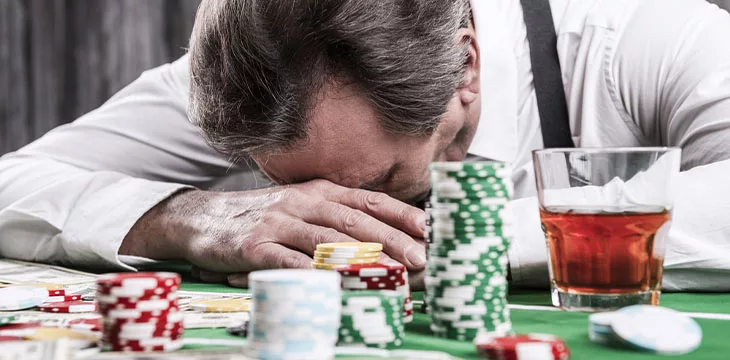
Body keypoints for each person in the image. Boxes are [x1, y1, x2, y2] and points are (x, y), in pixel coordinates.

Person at [1, 0, 730, 291]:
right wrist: (183, 216)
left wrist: (458, 242)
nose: (344, 219)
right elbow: (15, 182)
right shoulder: (248, 75)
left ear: (465, 68)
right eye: (294, 186)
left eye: (381, 181)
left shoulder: (647, 36)